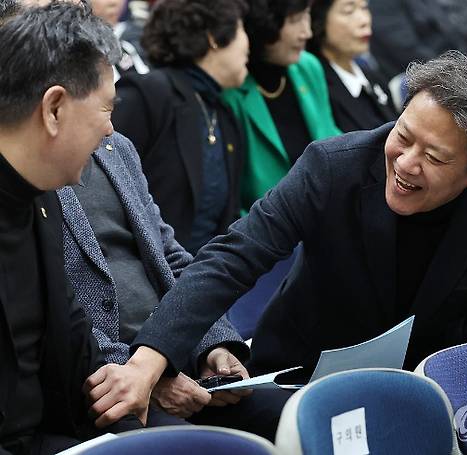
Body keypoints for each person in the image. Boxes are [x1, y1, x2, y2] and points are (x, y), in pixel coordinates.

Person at [84, 51, 467, 428]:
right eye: (403, 136)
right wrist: (149, 361)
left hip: (426, 391)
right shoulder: (334, 167)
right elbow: (233, 259)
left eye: (435, 157)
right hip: (298, 377)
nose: (406, 163)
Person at [0, 2, 142, 453]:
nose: (110, 131)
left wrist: (134, 433)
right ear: (54, 109)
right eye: (105, 108)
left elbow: (75, 343)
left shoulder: (41, 198)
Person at [57, 131, 251, 424]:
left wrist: (212, 345)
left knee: (283, 412)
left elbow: (169, 256)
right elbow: (57, 313)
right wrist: (146, 377)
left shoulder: (116, 147)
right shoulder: (33, 170)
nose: (110, 126)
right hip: (110, 378)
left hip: (177, 352)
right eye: (104, 109)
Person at [112, 0, 248, 254]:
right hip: (149, 266)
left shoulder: (222, 113)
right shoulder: (151, 94)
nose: (248, 44)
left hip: (206, 271)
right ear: (214, 38)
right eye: (242, 29)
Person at [222, 0, 341, 210]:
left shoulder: (308, 67)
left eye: (307, 15)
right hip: (266, 224)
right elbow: (232, 201)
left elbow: (333, 141)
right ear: (264, 22)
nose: (307, 32)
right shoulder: (231, 91)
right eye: (295, 20)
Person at [308, 0, 397, 132]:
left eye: (364, 8)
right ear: (319, 19)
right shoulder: (316, 87)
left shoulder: (373, 76)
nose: (364, 20)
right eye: (348, 11)